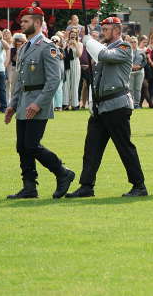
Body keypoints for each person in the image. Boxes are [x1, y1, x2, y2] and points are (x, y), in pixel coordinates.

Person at [66, 16, 147, 198]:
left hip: (117, 105)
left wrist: (88, 41)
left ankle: (139, 186)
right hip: (101, 105)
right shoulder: (105, 47)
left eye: (107, 29)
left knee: (124, 148)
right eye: (102, 29)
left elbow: (103, 55)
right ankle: (86, 186)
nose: (103, 32)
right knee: (91, 148)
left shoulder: (124, 47)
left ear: (117, 30)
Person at [4, 6, 75, 200]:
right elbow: (20, 79)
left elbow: (54, 79)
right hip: (23, 103)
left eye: (26, 21)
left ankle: (62, 172)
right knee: (22, 146)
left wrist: (38, 104)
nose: (22, 24)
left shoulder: (47, 46)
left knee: (32, 145)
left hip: (38, 102)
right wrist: (12, 104)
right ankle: (29, 187)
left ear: (37, 22)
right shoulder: (25, 47)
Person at [62, 29, 83, 110]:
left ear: (77, 36)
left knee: (75, 84)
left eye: (74, 34)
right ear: (69, 35)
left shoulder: (80, 44)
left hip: (75, 63)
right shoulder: (65, 42)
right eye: (72, 34)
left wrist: (76, 45)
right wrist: (67, 46)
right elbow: (63, 54)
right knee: (66, 84)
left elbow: (79, 54)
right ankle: (65, 103)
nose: (73, 36)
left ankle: (75, 104)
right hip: (67, 64)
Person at [129, 35, 146, 108]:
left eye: (135, 42)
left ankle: (137, 104)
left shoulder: (141, 51)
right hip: (131, 72)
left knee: (138, 89)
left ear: (137, 42)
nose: (133, 43)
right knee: (131, 89)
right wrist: (131, 66)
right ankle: (131, 104)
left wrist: (140, 66)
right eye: (132, 42)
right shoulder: (127, 52)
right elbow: (125, 61)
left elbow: (145, 61)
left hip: (140, 72)